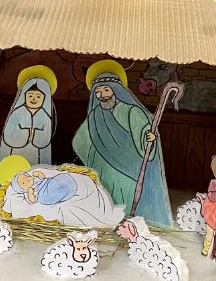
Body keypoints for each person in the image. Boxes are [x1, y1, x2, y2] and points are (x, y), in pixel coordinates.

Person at [72, 60, 172, 226]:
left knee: (125, 197)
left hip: (128, 168)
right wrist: (93, 155)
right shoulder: (95, 115)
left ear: (116, 90)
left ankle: (129, 226)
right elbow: (79, 141)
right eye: (98, 91)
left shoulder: (132, 111)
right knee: (105, 197)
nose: (102, 95)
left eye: (106, 89)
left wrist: (148, 138)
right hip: (102, 167)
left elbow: (144, 135)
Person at [0, 65, 56, 202]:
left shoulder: (45, 116)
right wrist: (26, 133)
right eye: (30, 95)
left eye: (38, 96)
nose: (34, 99)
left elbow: (44, 140)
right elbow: (9, 136)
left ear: (45, 98)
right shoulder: (17, 113)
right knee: (13, 175)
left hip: (36, 152)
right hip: (15, 152)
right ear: (24, 96)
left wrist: (35, 135)